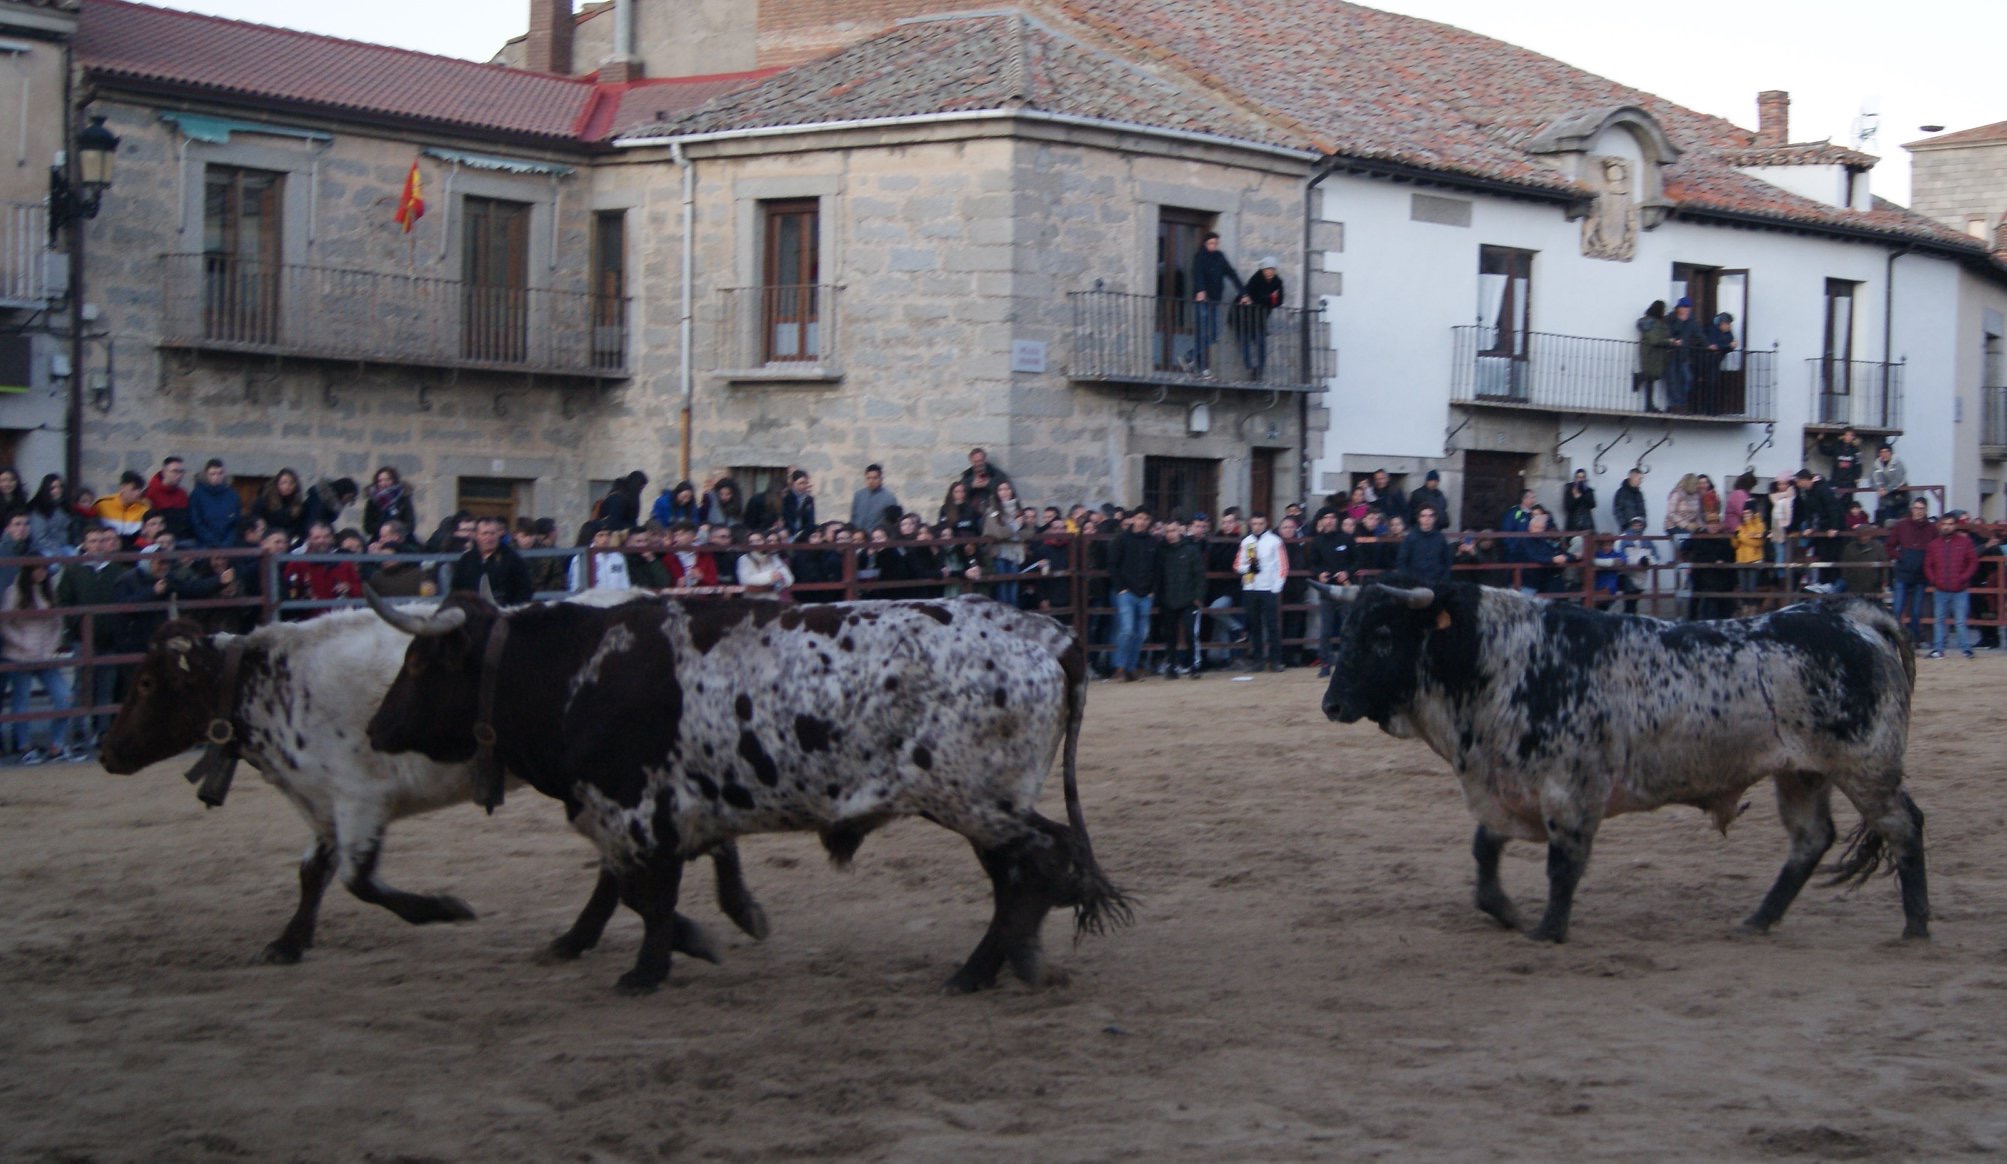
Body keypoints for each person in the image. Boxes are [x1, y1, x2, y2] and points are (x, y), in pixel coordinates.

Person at [3, 561, 83, 764]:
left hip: (45, 655)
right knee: (21, 701)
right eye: (38, 569)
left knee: (65, 697)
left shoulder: (49, 591)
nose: (42, 572)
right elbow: (4, 622)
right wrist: (21, 643)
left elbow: (57, 622)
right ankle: (24, 747)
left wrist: (52, 644)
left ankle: (57, 745)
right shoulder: (14, 592)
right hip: (20, 655)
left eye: (44, 569)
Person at [56, 526, 123, 743]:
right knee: (82, 686)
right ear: (85, 545)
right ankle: (77, 730)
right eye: (93, 541)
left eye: (101, 541)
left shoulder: (116, 570)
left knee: (105, 686)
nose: (98, 545)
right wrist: (76, 625)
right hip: (82, 638)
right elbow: (63, 601)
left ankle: (102, 730)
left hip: (109, 637)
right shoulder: (74, 570)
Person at [1104, 507, 1160, 682]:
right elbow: (1112, 565)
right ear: (1133, 519)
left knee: (1141, 633)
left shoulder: (1153, 542)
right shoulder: (1121, 539)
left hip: (1145, 593)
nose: (1142, 522)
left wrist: (1152, 590)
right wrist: (1121, 588)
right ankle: (1120, 667)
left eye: (1146, 519)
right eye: (1139, 518)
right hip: (1126, 592)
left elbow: (1157, 568)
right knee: (1127, 630)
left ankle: (1131, 667)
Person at [1180, 232, 1244, 376]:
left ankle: (1189, 356)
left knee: (1214, 334)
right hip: (1202, 301)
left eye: (1216, 243)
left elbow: (1232, 274)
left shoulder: (1220, 257)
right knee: (1202, 334)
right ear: (1205, 243)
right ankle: (1202, 368)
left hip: (1215, 301)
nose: (1214, 246)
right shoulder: (1199, 257)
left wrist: (1244, 293)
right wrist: (1200, 290)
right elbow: (1197, 274)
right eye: (1211, 243)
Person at [1235, 512, 1287, 672]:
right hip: (1250, 587)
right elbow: (1237, 565)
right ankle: (1258, 660)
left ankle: (1275, 660)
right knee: (1254, 625)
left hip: (1268, 588)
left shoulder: (1275, 541)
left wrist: (1276, 587)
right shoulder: (1246, 542)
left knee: (1272, 625)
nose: (1257, 527)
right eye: (1254, 524)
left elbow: (1282, 565)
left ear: (1265, 524)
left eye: (1260, 524)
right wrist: (1247, 568)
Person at [441, 514, 532, 603]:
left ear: (498, 535)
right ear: (476, 535)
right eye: (484, 533)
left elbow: (525, 590)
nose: (489, 538)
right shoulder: (467, 559)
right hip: (472, 610)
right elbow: (456, 589)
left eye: (492, 533)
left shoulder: (512, 559)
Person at [1924, 511, 1978, 659]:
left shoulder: (1965, 542)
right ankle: (1938, 649)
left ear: (1955, 526)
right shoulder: (1934, 545)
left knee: (1960, 621)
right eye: (1944, 524)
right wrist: (1934, 580)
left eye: (1950, 524)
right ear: (1940, 526)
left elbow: (1973, 562)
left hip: (1959, 589)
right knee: (1940, 620)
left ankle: (1966, 649)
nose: (1947, 527)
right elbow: (1928, 565)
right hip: (1940, 588)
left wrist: (1963, 578)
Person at [1155, 517, 1205, 678]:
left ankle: (1194, 666)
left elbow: (1199, 574)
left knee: (1191, 633)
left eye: (1173, 530)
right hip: (1168, 598)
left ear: (1180, 531)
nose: (1170, 534)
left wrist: (1198, 596)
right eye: (1167, 531)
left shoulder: (1191, 550)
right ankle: (1171, 666)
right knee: (1170, 635)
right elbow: (1158, 575)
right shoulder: (1161, 551)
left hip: (1188, 598)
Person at [1884, 496, 1933, 646]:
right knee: (1897, 609)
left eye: (1921, 509)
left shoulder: (1931, 529)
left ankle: (1913, 641)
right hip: (1903, 572)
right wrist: (1901, 557)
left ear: (1926, 510)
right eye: (1916, 508)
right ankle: (1893, 641)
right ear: (1912, 509)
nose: (1918, 511)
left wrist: (1927, 563)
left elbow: (1935, 549)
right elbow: (1889, 546)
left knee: (1916, 612)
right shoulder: (1902, 525)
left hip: (1920, 574)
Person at [1233, 255, 1284, 379]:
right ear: (1263, 270)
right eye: (1267, 269)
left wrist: (1271, 299)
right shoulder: (1256, 279)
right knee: (1245, 344)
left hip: (1260, 319)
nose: (1270, 272)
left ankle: (1259, 371)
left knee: (1261, 344)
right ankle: (1250, 369)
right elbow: (1251, 297)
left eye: (1272, 269)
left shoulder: (1277, 283)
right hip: (1244, 317)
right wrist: (1269, 298)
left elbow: (1279, 301)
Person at [1664, 297, 1707, 412]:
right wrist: (1679, 322)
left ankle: (1681, 403)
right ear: (1678, 308)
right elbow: (1668, 332)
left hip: (1684, 354)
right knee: (1672, 379)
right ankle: (1675, 404)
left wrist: (1708, 345)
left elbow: (1699, 335)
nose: (1686, 310)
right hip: (1671, 353)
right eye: (1684, 307)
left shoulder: (1692, 321)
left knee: (1687, 378)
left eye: (1688, 307)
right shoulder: (1670, 318)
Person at [187, 458, 241, 549]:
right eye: (212, 474)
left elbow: (236, 521)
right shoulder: (197, 495)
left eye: (220, 473)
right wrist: (212, 541)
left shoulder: (232, 495)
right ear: (206, 474)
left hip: (228, 545)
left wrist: (227, 541)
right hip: (203, 544)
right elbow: (196, 522)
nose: (216, 477)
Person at [1395, 504, 1454, 585]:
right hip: (1415, 584)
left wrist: (1444, 580)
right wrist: (1408, 580)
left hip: (1436, 582)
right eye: (1423, 516)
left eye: (1430, 516)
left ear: (1435, 518)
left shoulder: (1441, 538)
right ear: (1419, 518)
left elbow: (1447, 560)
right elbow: (1401, 561)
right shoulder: (1410, 538)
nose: (1427, 519)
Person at [252, 468, 309, 545]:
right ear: (277, 484)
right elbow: (256, 521)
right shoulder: (264, 502)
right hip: (268, 541)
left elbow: (300, 528)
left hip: (289, 542)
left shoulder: (298, 506)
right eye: (284, 482)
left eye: (291, 483)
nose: (287, 486)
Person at [25, 475, 78, 557]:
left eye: (60, 487)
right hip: (42, 549)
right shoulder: (39, 510)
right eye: (53, 488)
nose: (57, 490)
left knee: (74, 555)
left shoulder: (64, 507)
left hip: (63, 547)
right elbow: (39, 538)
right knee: (53, 561)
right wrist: (57, 551)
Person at [93, 471, 150, 545]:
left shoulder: (145, 510)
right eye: (134, 489)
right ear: (122, 487)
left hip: (133, 550)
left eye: (139, 490)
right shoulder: (101, 505)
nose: (138, 493)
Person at [1635, 300, 1671, 413]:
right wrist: (1670, 342)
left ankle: (1649, 405)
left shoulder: (1650, 322)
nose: (1665, 312)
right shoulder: (1653, 323)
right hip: (1652, 354)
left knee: (1651, 378)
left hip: (1651, 354)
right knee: (1651, 376)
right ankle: (1649, 405)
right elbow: (1655, 340)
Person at [141, 456, 191, 538]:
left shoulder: (182, 493)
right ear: (164, 472)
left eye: (181, 472)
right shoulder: (150, 493)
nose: (179, 475)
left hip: (184, 538)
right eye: (175, 471)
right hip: (162, 539)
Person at [735, 530, 795, 597]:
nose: (755, 544)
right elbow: (745, 580)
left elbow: (789, 579)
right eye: (751, 542)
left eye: (758, 540)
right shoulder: (744, 559)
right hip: (753, 599)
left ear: (764, 541)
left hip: (772, 598)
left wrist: (780, 578)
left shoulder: (773, 558)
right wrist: (770, 576)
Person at [362, 466, 418, 537]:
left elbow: (410, 525)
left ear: (394, 480)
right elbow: (368, 527)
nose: (383, 483)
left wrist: (393, 530)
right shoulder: (372, 502)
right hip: (379, 538)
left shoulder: (403, 499)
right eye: (380, 480)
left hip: (401, 538)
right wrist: (383, 529)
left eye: (387, 480)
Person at [848, 463, 899, 533]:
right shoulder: (858, 495)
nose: (871, 481)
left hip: (875, 537)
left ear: (881, 479)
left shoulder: (889, 498)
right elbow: (853, 518)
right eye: (868, 478)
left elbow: (892, 523)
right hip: (857, 537)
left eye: (875, 478)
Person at [1868, 444, 1909, 523]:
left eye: (1886, 451)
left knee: (1902, 522)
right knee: (1888, 522)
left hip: (1900, 497)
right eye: (1881, 452)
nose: (1884, 454)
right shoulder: (1876, 465)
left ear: (1891, 453)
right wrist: (1878, 488)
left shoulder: (1897, 463)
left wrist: (1886, 490)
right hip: (1886, 500)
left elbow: (1898, 480)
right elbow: (1871, 481)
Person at [1819, 428, 1865, 497]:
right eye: (1847, 435)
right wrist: (1820, 440)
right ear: (1843, 436)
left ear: (1853, 437)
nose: (1848, 437)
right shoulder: (1836, 446)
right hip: (1836, 481)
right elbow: (1825, 451)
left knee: (1848, 501)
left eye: (1851, 435)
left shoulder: (1856, 450)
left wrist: (1857, 477)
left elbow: (1859, 464)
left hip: (1849, 483)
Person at [780, 470, 817, 541]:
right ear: (793, 483)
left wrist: (804, 533)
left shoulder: (809, 499)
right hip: (789, 534)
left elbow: (811, 520)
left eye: (805, 483)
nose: (803, 486)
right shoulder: (787, 498)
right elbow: (787, 518)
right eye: (800, 483)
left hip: (804, 535)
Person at [1562, 468, 1597, 533]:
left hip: (1586, 523)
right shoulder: (1569, 490)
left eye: (1582, 477)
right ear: (1575, 478)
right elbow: (1568, 507)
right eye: (1578, 477)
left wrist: (1581, 496)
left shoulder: (1588, 490)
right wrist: (1576, 498)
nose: (1580, 479)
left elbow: (1593, 504)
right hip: (1573, 523)